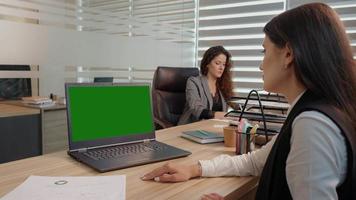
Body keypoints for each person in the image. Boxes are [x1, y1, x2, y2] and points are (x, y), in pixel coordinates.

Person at [142, 3, 356, 200]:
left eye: (265, 51)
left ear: (288, 54)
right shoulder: (315, 112)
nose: (261, 66)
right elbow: (255, 161)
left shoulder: (312, 124)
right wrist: (194, 169)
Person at [177, 46, 233, 125]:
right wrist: (220, 115)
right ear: (207, 63)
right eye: (217, 63)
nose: (221, 68)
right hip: (191, 127)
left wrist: (249, 112)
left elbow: (235, 104)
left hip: (214, 128)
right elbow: (196, 109)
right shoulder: (194, 82)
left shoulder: (223, 86)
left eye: (224, 64)